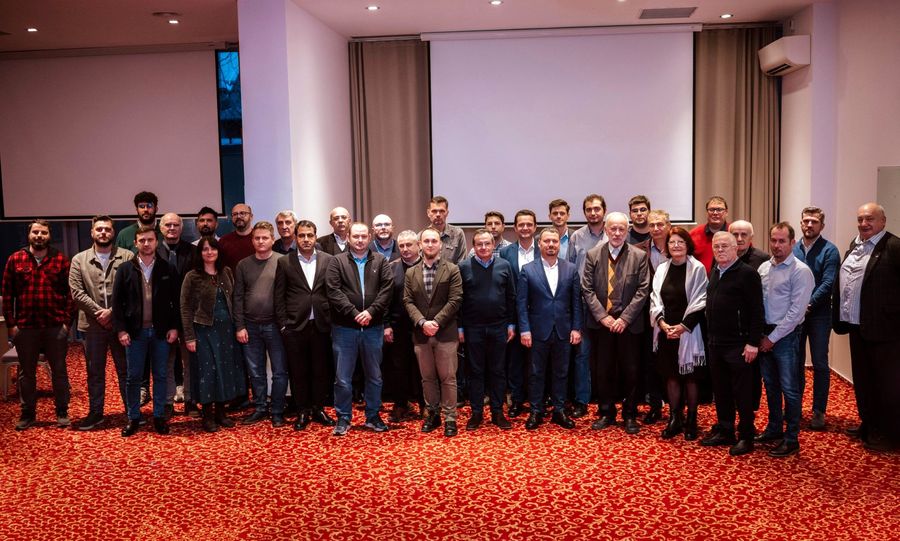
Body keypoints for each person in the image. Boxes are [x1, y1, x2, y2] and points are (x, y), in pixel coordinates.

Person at [834, 202, 900, 452]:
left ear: (883, 221)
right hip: (858, 326)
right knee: (864, 381)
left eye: (870, 219)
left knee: (887, 385)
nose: (864, 223)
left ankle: (889, 433)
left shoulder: (894, 247)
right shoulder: (856, 246)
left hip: (886, 331)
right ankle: (870, 423)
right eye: (860, 219)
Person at [581, 212, 650, 434]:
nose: (617, 233)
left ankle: (630, 414)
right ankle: (606, 412)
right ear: (606, 230)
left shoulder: (639, 256)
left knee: (631, 371)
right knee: (603, 370)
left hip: (629, 324)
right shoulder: (593, 255)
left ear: (627, 230)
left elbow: (643, 290)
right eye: (613, 229)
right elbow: (587, 289)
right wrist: (603, 317)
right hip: (602, 324)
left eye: (622, 229)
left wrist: (624, 319)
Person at [3, 220, 74, 431]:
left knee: (59, 371)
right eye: (36, 232)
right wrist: (11, 325)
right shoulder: (15, 259)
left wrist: (66, 324)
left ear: (49, 235)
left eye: (43, 232)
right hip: (26, 328)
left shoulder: (60, 259)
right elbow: (7, 295)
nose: (39, 236)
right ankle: (28, 414)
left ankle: (62, 412)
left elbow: (70, 294)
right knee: (27, 373)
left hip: (55, 327)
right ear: (29, 235)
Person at [326, 222, 393, 436]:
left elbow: (387, 290)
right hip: (344, 328)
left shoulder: (381, 261)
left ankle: (373, 416)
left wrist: (371, 312)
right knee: (342, 378)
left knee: (374, 376)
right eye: (356, 236)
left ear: (369, 237)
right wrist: (354, 313)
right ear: (348, 237)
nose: (360, 240)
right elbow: (333, 291)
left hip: (373, 328)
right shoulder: (337, 261)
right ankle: (343, 418)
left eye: (364, 236)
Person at [701, 231, 764, 456]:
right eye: (716, 246)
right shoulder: (716, 271)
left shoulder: (747, 274)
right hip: (715, 343)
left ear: (735, 248)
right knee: (721, 390)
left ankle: (746, 435)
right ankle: (725, 429)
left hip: (739, 344)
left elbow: (757, 310)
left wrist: (753, 342)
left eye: (724, 246)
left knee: (743, 393)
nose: (720, 250)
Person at [113, 225, 179, 436]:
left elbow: (176, 302)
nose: (146, 243)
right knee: (133, 377)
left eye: (150, 240)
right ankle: (133, 417)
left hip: (161, 332)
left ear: (156, 242)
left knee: (160, 375)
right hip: (135, 333)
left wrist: (174, 327)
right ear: (135, 243)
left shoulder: (167, 268)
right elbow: (117, 304)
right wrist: (121, 330)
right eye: (142, 240)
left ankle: (159, 416)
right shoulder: (125, 269)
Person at [755, 222, 814, 458]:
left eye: (782, 241)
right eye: (773, 240)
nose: (777, 245)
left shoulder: (801, 271)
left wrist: (772, 338)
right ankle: (774, 429)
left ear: (792, 243)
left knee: (790, 388)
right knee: (770, 385)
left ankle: (791, 438)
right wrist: (762, 335)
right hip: (765, 334)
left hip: (786, 335)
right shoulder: (763, 268)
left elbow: (796, 313)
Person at [69, 216, 133, 430]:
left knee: (125, 370)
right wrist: (101, 314)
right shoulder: (79, 259)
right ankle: (96, 413)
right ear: (92, 232)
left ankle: (132, 412)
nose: (103, 232)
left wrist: (112, 313)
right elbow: (77, 292)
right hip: (92, 325)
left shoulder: (127, 256)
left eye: (107, 229)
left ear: (113, 232)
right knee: (94, 372)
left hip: (120, 324)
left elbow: (132, 290)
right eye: (99, 229)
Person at [274, 220, 337, 431]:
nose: (306, 239)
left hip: (321, 324)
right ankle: (302, 410)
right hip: (294, 326)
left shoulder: (328, 260)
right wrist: (283, 325)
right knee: (298, 371)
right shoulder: (285, 262)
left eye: (310, 235)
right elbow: (279, 296)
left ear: (316, 236)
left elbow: (333, 292)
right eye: (301, 235)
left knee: (321, 370)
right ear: (295, 237)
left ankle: (318, 408)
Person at [180, 236, 247, 433]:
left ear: (218, 251)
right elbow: (185, 308)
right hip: (203, 331)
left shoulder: (226, 272)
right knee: (207, 372)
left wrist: (239, 326)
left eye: (213, 248)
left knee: (225, 370)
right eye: (205, 249)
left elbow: (235, 300)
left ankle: (221, 412)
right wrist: (189, 336)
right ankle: (207, 415)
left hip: (226, 331)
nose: (209, 252)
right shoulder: (192, 276)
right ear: (199, 253)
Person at [518, 228, 583, 430]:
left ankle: (559, 410)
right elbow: (521, 303)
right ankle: (536, 411)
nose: (551, 245)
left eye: (554, 241)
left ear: (559, 244)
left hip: (564, 330)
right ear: (540, 244)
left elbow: (576, 302)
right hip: (537, 331)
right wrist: (524, 330)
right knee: (536, 373)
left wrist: (576, 328)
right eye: (546, 241)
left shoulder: (570, 269)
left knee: (562, 372)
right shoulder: (528, 269)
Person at [404, 228, 463, 437]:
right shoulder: (411, 272)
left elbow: (455, 299)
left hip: (445, 332)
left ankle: (450, 417)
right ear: (420, 244)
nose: (430, 244)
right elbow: (408, 301)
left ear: (440, 244)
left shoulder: (452, 269)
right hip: (421, 334)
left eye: (434, 241)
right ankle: (433, 414)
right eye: (426, 241)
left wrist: (436, 322)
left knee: (448, 378)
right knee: (427, 378)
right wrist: (422, 322)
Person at [650, 227, 707, 441]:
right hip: (666, 331)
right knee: (671, 375)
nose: (676, 246)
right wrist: (663, 324)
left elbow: (701, 300)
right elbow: (655, 298)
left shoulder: (697, 268)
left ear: (687, 244)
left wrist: (683, 327)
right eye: (672, 242)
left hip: (690, 330)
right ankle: (675, 418)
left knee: (690, 377)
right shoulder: (662, 268)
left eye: (680, 242)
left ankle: (691, 419)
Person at [458, 229, 516, 430]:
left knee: (498, 370)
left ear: (493, 245)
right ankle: (476, 413)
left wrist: (511, 324)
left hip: (499, 327)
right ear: (473, 246)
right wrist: (460, 327)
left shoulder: (504, 265)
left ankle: (497, 412)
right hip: (472, 328)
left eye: (487, 244)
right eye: (479, 244)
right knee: (475, 371)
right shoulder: (464, 267)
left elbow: (511, 296)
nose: (483, 247)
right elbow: (458, 300)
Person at [234, 221, 289, 427]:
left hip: (275, 326)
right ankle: (260, 408)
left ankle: (277, 410)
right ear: (252, 241)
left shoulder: (283, 261)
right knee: (255, 371)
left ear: (272, 240)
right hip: (250, 326)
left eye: (265, 237)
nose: (261, 241)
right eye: (257, 238)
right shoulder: (243, 265)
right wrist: (239, 326)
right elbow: (238, 297)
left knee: (280, 371)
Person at [793, 206, 840, 431]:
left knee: (820, 363)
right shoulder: (793, 249)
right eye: (806, 221)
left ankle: (819, 411)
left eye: (814, 221)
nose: (809, 225)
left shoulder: (830, 251)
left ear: (822, 225)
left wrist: (808, 304)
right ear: (801, 223)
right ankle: (794, 407)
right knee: (796, 362)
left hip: (819, 315)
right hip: (795, 316)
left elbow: (828, 283)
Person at [567, 194, 607, 417]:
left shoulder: (613, 232)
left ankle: (606, 400)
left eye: (597, 209)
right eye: (589, 209)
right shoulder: (577, 237)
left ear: (604, 211)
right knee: (582, 354)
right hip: (583, 302)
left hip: (609, 304)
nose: (593, 213)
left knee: (607, 354)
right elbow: (571, 270)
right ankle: (582, 400)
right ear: (584, 212)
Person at [157, 212, 196, 418]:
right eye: (167, 225)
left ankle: (190, 400)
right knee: (166, 362)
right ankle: (167, 402)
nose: (171, 228)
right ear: (161, 228)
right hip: (163, 317)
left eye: (175, 225)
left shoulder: (193, 251)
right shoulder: (153, 251)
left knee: (190, 362)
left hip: (189, 315)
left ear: (181, 227)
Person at [499, 209, 538, 417]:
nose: (525, 228)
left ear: (535, 227)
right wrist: (509, 321)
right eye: (521, 224)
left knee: (537, 360)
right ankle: (516, 400)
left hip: (539, 313)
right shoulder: (506, 252)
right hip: (514, 313)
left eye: (529, 224)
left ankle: (537, 399)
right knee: (515, 360)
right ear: (515, 228)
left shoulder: (543, 248)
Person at [383, 230, 425, 422]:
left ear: (418, 246)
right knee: (398, 367)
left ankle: (426, 404)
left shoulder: (428, 266)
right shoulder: (390, 268)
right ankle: (400, 404)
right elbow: (384, 300)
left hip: (423, 327)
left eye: (409, 245)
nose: (405, 249)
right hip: (398, 327)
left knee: (423, 368)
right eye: (402, 246)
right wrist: (386, 325)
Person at [690, 196, 729, 273]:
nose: (715, 213)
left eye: (719, 210)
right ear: (707, 212)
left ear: (726, 212)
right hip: (700, 279)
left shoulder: (735, 234)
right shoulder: (693, 234)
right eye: (711, 210)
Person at [425, 196, 467, 264]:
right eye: (434, 211)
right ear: (428, 213)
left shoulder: (458, 234)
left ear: (447, 213)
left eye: (442, 211)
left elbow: (462, 263)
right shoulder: (421, 236)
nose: (438, 214)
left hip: (453, 271)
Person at [218, 203, 255, 270]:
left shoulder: (259, 239)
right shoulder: (223, 241)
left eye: (242, 213)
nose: (238, 216)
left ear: (251, 216)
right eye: (235, 214)